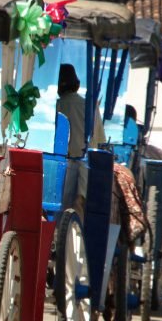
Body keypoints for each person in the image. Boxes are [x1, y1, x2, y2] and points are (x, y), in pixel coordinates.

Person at [56, 63, 106, 214]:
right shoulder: (90, 107)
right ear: (76, 84)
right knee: (76, 215)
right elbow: (99, 141)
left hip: (59, 164)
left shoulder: (57, 105)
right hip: (83, 168)